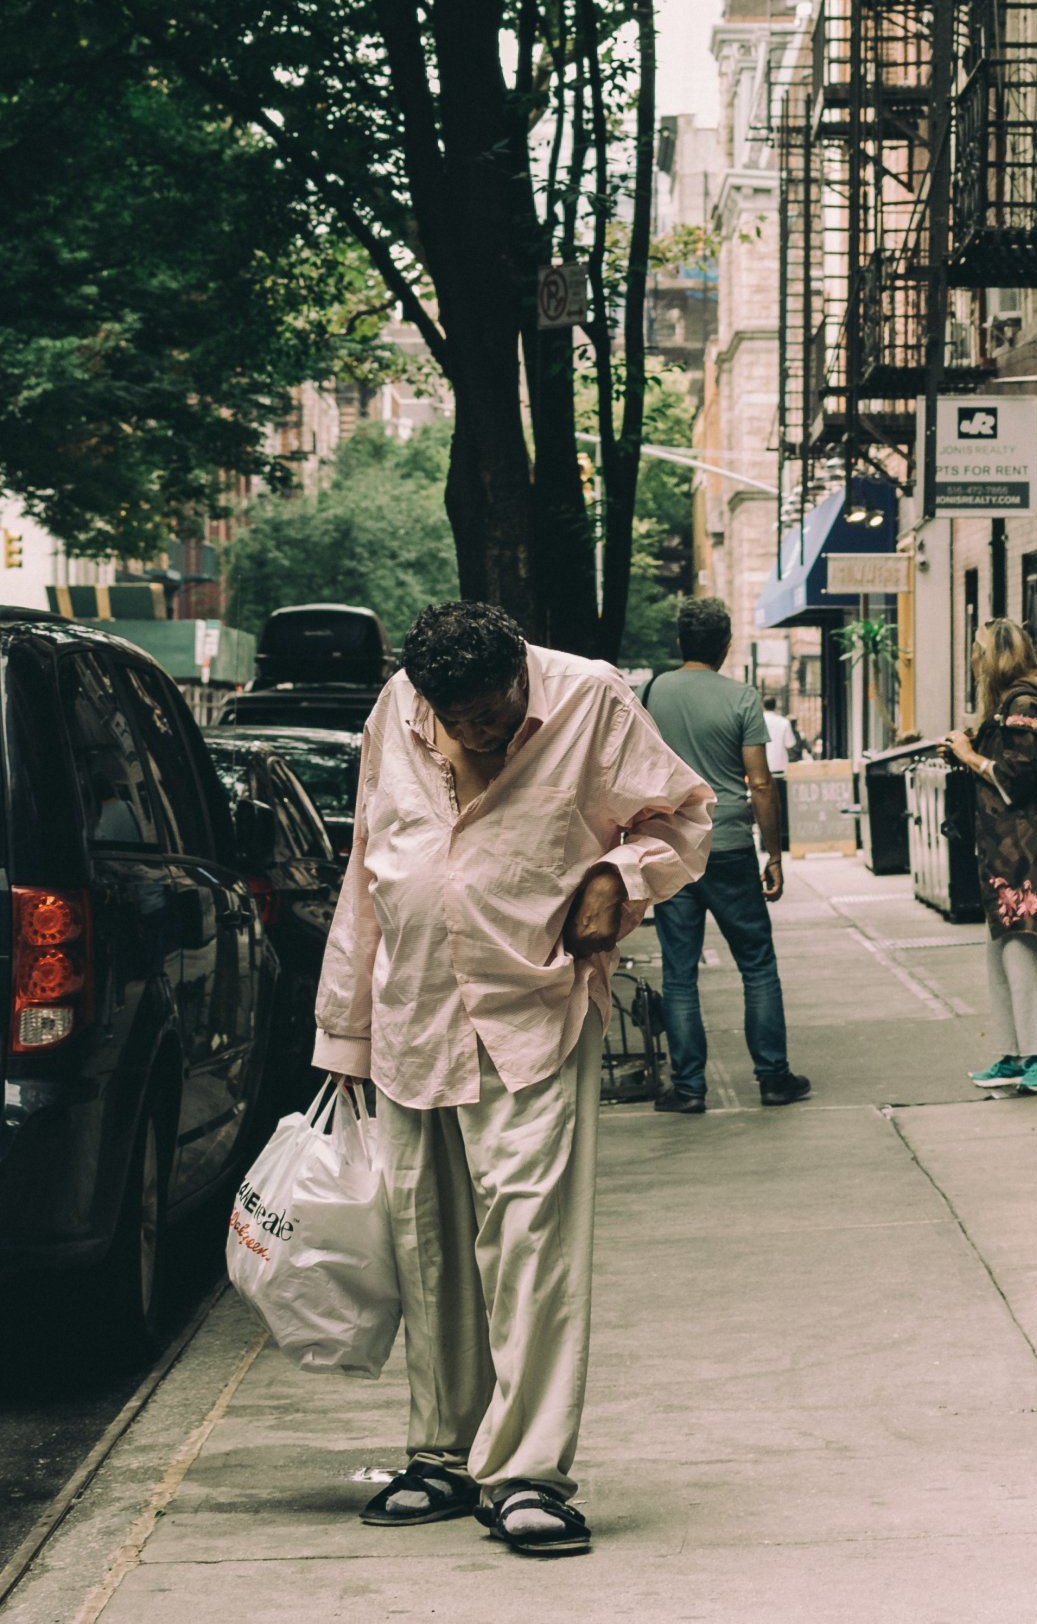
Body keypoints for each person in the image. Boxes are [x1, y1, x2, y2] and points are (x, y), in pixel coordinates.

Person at [314, 600, 713, 1557]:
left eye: (492, 715)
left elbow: (682, 819)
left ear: (518, 675)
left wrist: (620, 876)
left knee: (531, 1244)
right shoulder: (396, 707)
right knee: (428, 1246)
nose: (477, 734)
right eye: (459, 720)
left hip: (534, 1009)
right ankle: (443, 1454)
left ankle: (529, 1474)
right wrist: (344, 1030)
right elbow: (369, 860)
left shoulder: (590, 698)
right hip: (413, 1013)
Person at [642, 597, 811, 1115]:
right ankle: (773, 1077)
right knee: (756, 965)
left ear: (680, 643)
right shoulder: (741, 697)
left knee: (679, 972)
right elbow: (760, 782)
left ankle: (689, 1087)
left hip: (672, 847)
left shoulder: (652, 692)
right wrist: (774, 855)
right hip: (730, 845)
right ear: (726, 646)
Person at [945, 619, 1037, 1097]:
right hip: (1004, 849)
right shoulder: (1017, 704)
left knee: (1025, 949)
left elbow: (1019, 778)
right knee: (1003, 950)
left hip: (1022, 848)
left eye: (978, 652)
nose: (974, 661)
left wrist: (968, 754)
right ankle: (1015, 1052)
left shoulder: (1024, 705)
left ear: (994, 658)